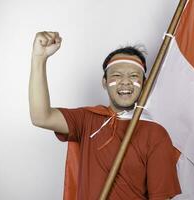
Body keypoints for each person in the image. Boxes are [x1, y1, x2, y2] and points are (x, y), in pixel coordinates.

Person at [29, 31, 181, 200]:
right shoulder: (87, 119)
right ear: (104, 82)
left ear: (144, 85)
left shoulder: (156, 134)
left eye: (134, 76)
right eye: (117, 75)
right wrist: (39, 58)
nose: (125, 82)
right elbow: (40, 117)